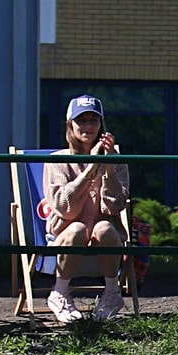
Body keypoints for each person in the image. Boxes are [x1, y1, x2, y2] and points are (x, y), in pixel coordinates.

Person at [42, 95, 130, 324]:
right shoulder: (57, 161)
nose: (88, 126)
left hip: (104, 239)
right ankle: (60, 293)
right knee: (78, 228)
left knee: (104, 227)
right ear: (70, 125)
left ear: (101, 125)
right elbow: (65, 209)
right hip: (66, 238)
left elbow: (113, 207)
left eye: (93, 120)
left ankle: (112, 294)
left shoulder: (116, 160)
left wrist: (108, 168)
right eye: (81, 120)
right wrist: (91, 170)